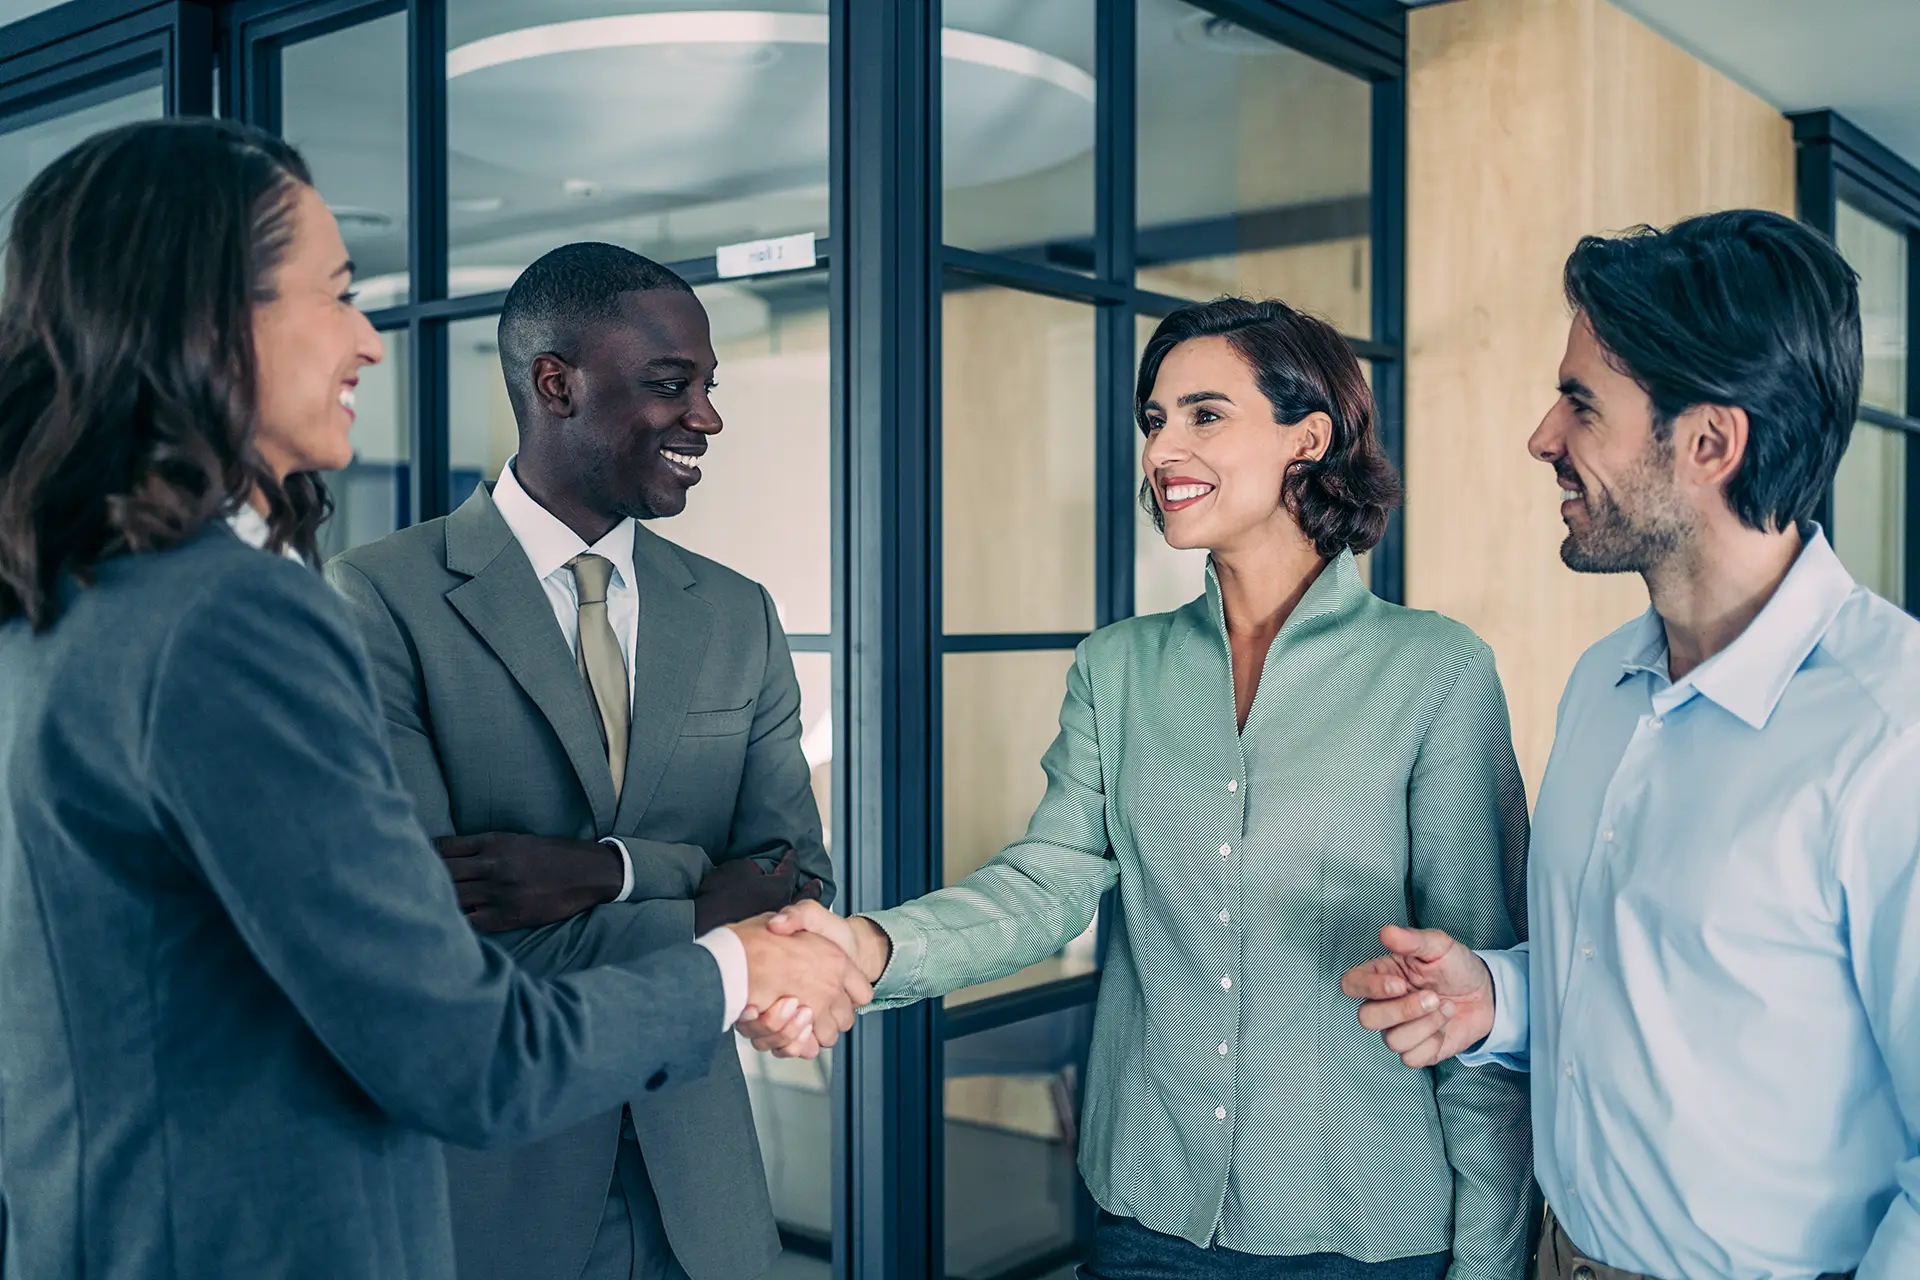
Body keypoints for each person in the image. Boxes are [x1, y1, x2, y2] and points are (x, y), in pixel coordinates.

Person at [0, 118, 862, 1280]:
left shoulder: (70, 600)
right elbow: (460, 1035)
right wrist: (743, 958)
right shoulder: (239, 614)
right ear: (211, 319)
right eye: (338, 293)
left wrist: (598, 872)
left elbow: (780, 862)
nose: (369, 336)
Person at [768, 297, 1535, 1279]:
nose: (1164, 445)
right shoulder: (1116, 669)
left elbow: (1476, 987)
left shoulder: (1435, 670)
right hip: (1150, 1215)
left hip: (1366, 1222)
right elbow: (1045, 881)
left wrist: (1488, 1263)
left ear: (1311, 434)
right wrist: (869, 945)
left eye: (1205, 414)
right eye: (1154, 419)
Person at [1342, 210, 1916, 1280]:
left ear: (1709, 443)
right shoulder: (1604, 683)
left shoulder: (1896, 737)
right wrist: (1495, 996)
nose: (1543, 437)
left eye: (1581, 403)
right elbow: (1642, 979)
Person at [325, 243, 830, 1280]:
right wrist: (700, 889)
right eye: (669, 383)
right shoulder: (377, 598)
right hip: (496, 1194)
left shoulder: (738, 612)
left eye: (708, 385)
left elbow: (797, 884)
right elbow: (437, 941)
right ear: (555, 383)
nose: (707, 417)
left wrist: (599, 872)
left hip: (707, 1196)